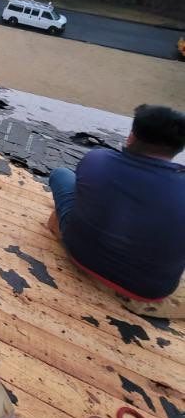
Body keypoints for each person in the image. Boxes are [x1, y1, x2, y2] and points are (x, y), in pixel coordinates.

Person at [48, 104, 185, 319]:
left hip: (80, 254)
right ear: (178, 149)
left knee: (61, 175)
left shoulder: (97, 160)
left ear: (131, 136)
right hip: (150, 290)